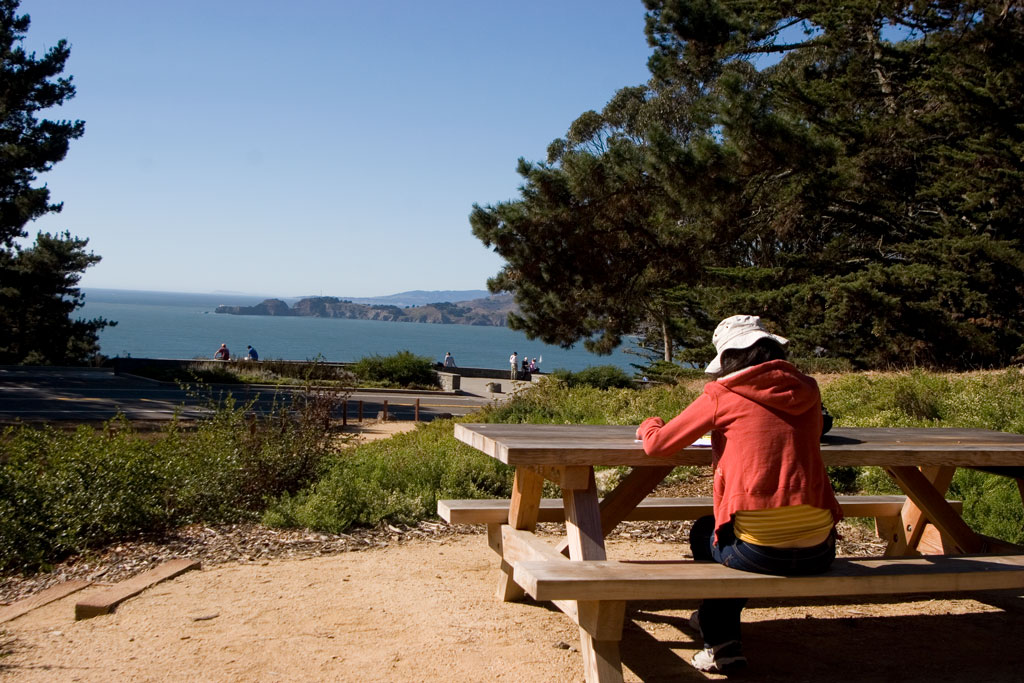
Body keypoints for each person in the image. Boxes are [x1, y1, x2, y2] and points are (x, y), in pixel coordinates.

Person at [635, 315, 842, 674]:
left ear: (728, 358)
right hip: (820, 549)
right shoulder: (809, 390)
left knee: (707, 532)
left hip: (760, 553)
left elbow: (658, 446)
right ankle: (711, 619)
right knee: (737, 538)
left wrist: (649, 423)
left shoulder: (722, 393)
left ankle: (721, 643)